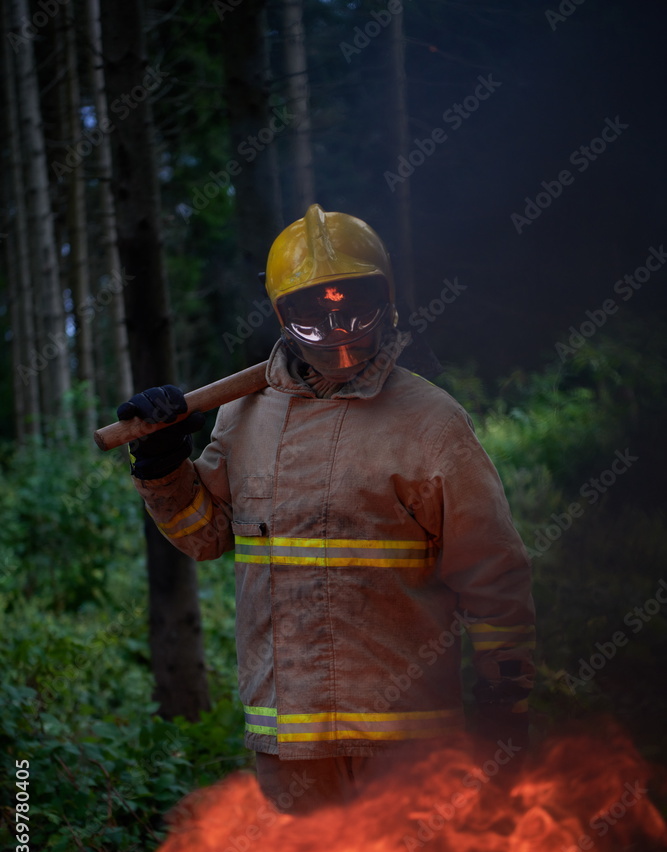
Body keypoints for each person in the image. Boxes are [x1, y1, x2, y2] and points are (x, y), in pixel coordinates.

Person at [117, 204, 536, 813]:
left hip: (407, 750)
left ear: (387, 302)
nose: (337, 333)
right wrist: (161, 465)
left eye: (355, 311)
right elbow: (205, 535)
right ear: (281, 316)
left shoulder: (432, 423)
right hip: (290, 753)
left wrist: (505, 702)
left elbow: (494, 576)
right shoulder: (243, 417)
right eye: (313, 317)